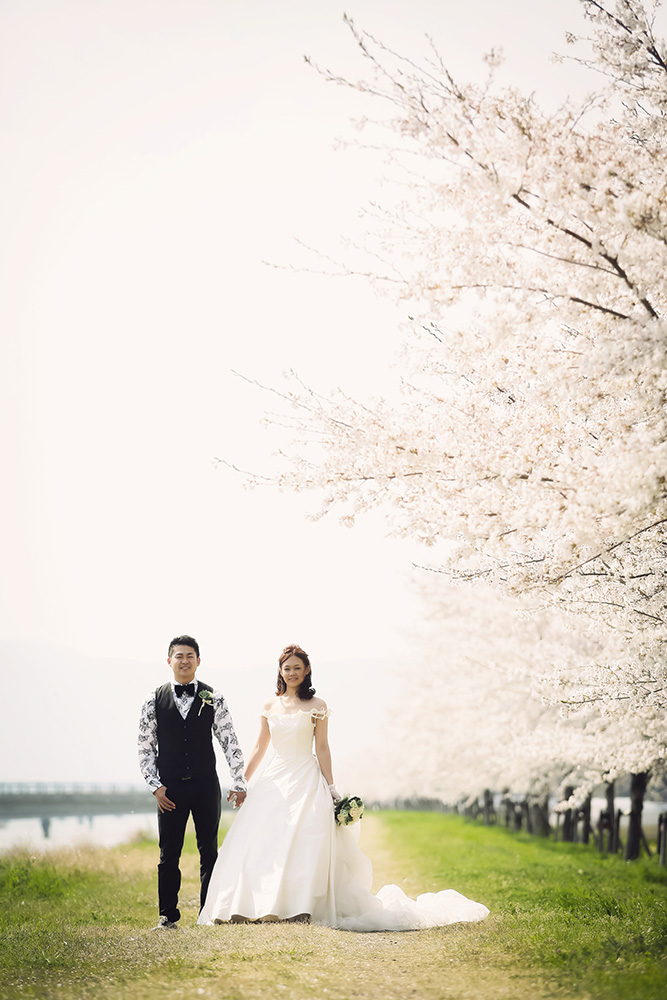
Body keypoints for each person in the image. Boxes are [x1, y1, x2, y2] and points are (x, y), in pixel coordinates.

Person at [198, 643, 489, 931]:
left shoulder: (318, 706)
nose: (292, 673)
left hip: (306, 776)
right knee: (263, 837)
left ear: (307, 670)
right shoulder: (268, 705)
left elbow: (322, 748)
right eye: (287, 669)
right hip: (274, 777)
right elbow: (260, 747)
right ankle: (254, 904)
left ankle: (302, 906)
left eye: (297, 668)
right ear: (280, 671)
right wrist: (242, 781)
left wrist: (332, 786)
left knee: (308, 836)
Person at [138, 634, 247, 930]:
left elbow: (229, 740)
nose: (184, 661)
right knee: (168, 853)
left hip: (204, 787)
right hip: (169, 789)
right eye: (179, 656)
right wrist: (155, 786)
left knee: (209, 851)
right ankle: (167, 916)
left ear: (198, 661)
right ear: (169, 661)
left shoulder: (214, 697)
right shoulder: (153, 699)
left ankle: (207, 913)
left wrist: (238, 780)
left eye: (190, 656)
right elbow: (145, 747)